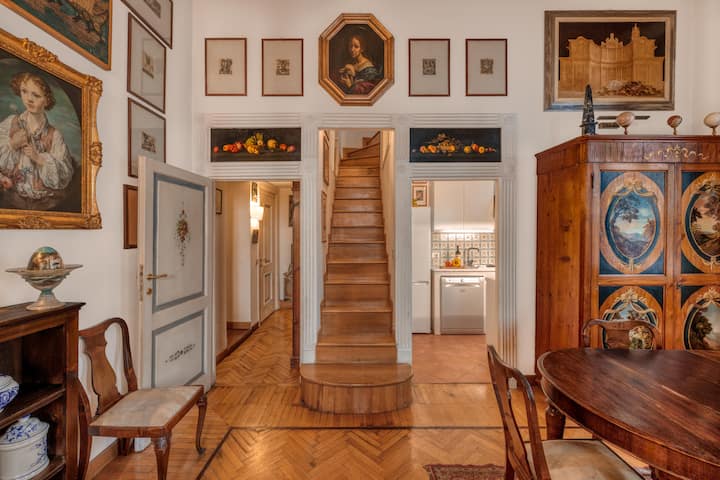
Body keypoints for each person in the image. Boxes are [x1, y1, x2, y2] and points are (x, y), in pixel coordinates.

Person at [0, 72, 74, 210]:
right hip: (12, 199)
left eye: (36, 95)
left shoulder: (54, 135)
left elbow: (65, 175)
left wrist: (39, 158)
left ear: (47, 100)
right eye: (24, 91)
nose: (29, 99)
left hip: (45, 202)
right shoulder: (11, 123)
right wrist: (12, 144)